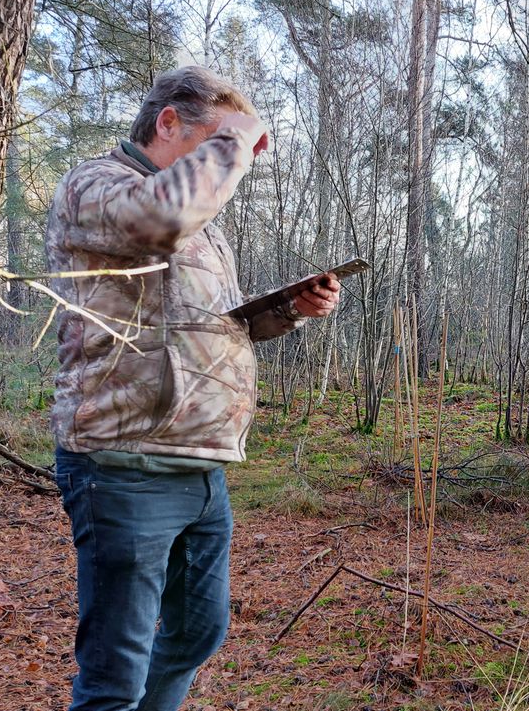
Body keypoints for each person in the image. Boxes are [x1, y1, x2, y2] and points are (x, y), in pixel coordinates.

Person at [44, 66, 340, 711]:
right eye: (218, 136)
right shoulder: (97, 185)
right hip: (124, 461)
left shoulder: (196, 214)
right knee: (114, 672)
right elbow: (160, 220)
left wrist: (286, 309)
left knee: (195, 636)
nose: (235, 156)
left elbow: (208, 324)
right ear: (169, 122)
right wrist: (237, 138)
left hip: (201, 464)